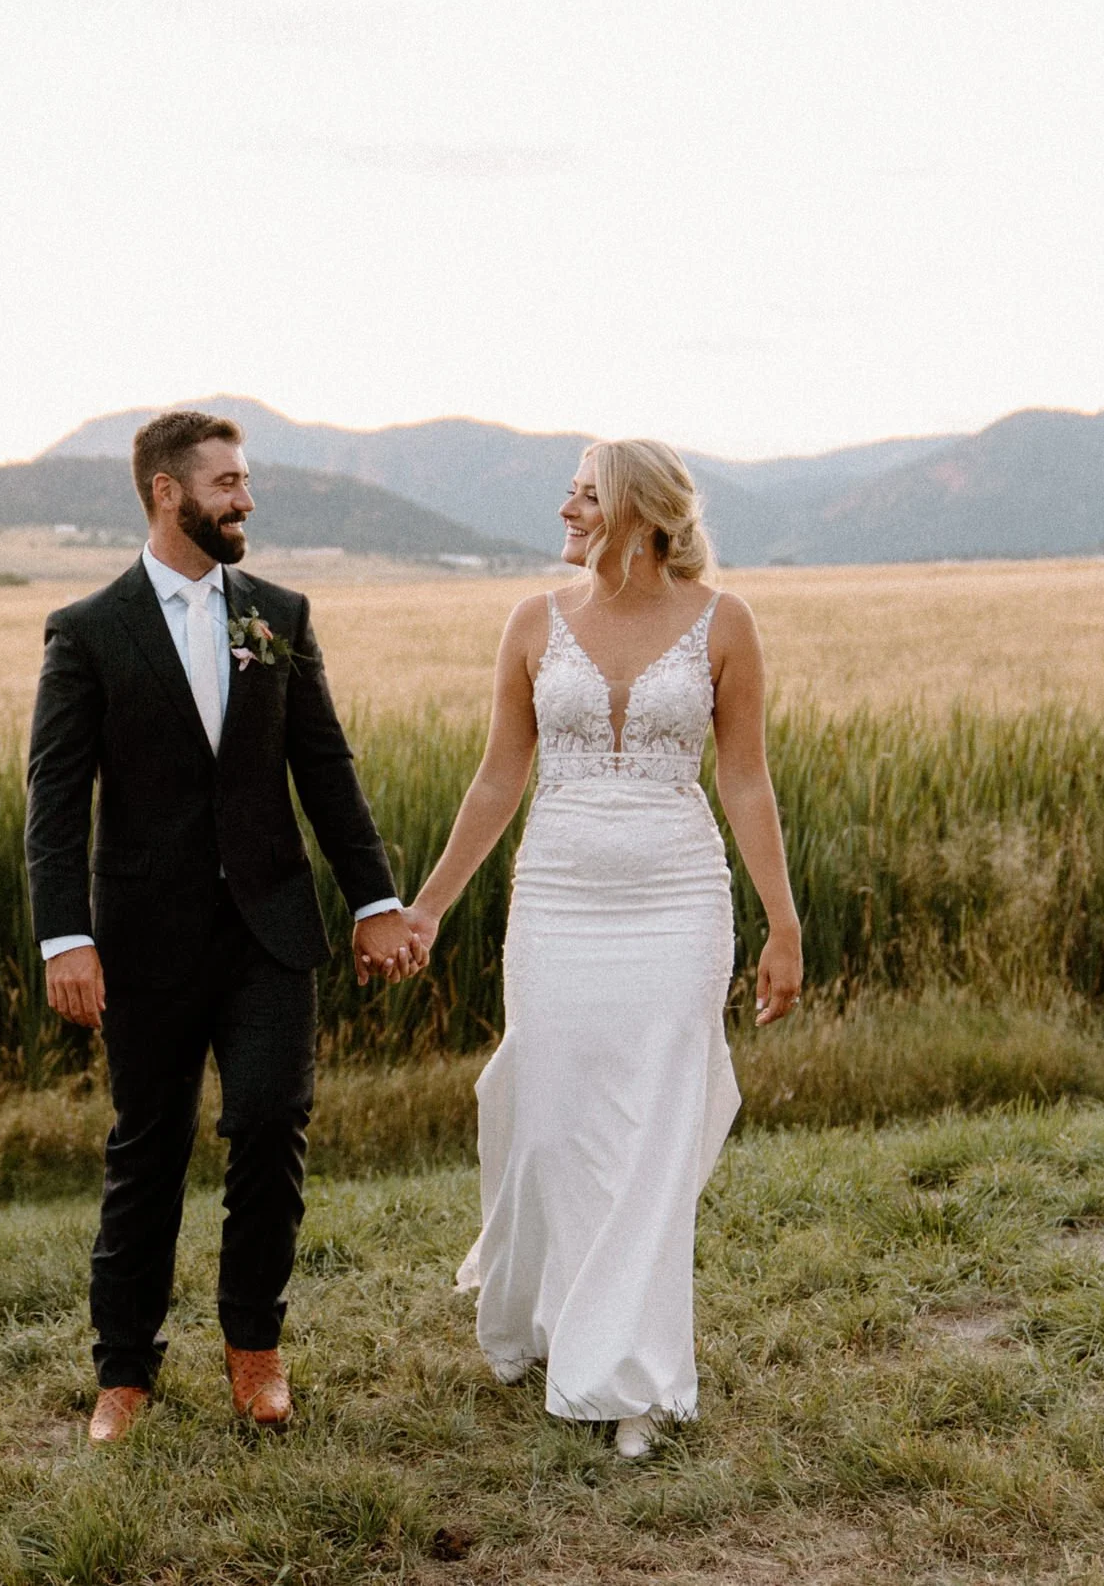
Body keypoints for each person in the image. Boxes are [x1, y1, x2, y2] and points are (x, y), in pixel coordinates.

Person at [25, 410, 425, 1444]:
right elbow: (55, 800)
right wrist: (64, 937)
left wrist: (374, 901)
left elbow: (325, 768)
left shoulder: (277, 615)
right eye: (227, 483)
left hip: (269, 932)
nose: (246, 499)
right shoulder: (87, 630)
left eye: (244, 481)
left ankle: (255, 1349)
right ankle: (124, 1374)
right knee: (147, 1148)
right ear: (168, 492)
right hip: (143, 940)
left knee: (270, 1124)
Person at [400, 438, 801, 1460]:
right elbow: (499, 778)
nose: (566, 510)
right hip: (559, 899)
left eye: (584, 496)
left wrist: (783, 920)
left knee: (652, 1131)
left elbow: (745, 778)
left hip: (677, 899)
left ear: (639, 513)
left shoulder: (725, 622)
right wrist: (430, 907)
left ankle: (633, 1378)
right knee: (551, 1123)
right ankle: (543, 1309)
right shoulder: (533, 622)